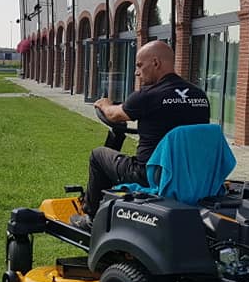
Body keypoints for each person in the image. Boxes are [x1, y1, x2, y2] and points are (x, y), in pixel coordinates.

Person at [71, 41, 210, 228]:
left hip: (148, 174)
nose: (136, 72)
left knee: (98, 155)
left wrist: (104, 103)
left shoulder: (147, 96)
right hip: (189, 173)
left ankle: (91, 217)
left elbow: (113, 114)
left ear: (156, 63)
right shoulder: (200, 96)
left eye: (139, 65)